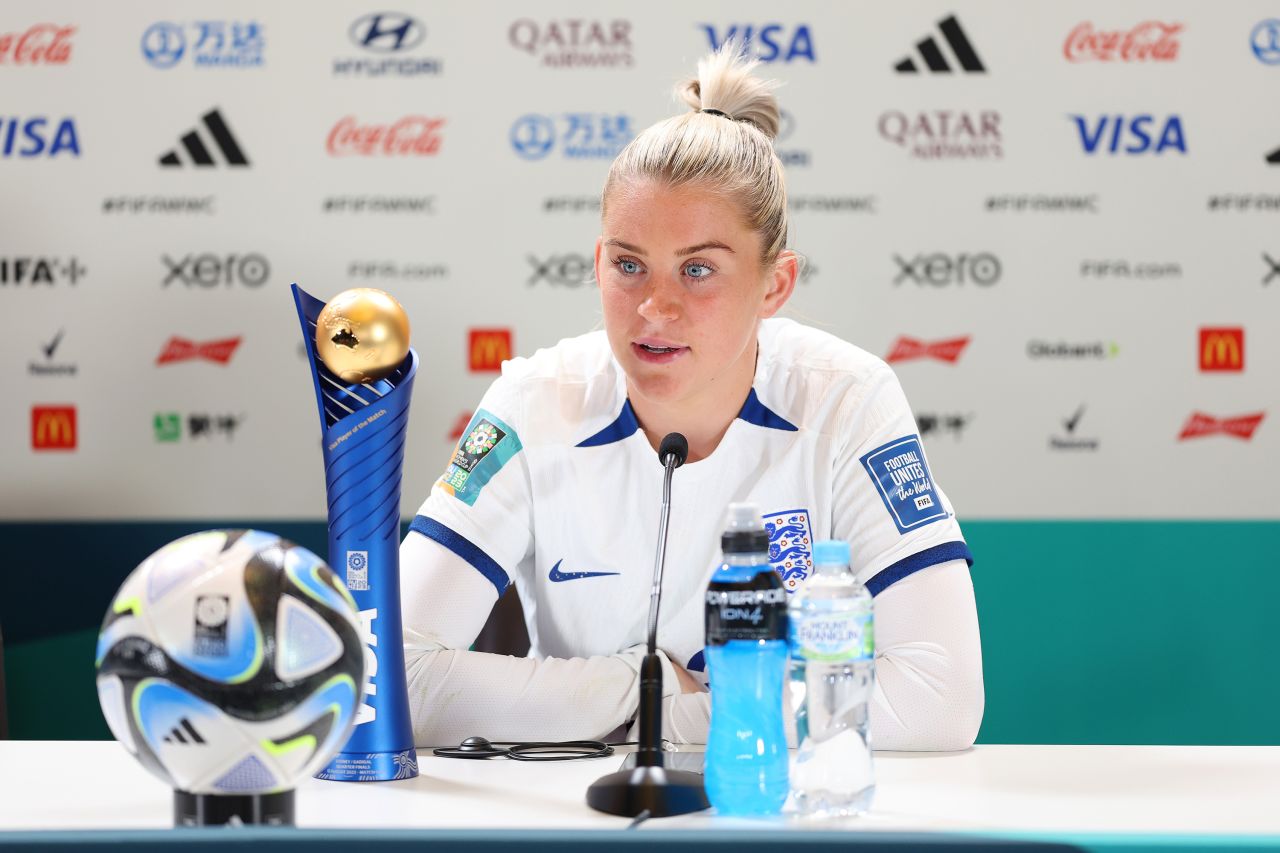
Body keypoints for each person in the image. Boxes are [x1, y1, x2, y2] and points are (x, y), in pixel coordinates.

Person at [399, 47, 984, 751]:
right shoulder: (533, 402)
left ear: (775, 284)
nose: (655, 306)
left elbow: (938, 698)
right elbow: (385, 679)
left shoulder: (846, 399)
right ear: (597, 261)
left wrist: (665, 720)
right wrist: (638, 683)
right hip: (580, 812)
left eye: (699, 269)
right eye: (628, 264)